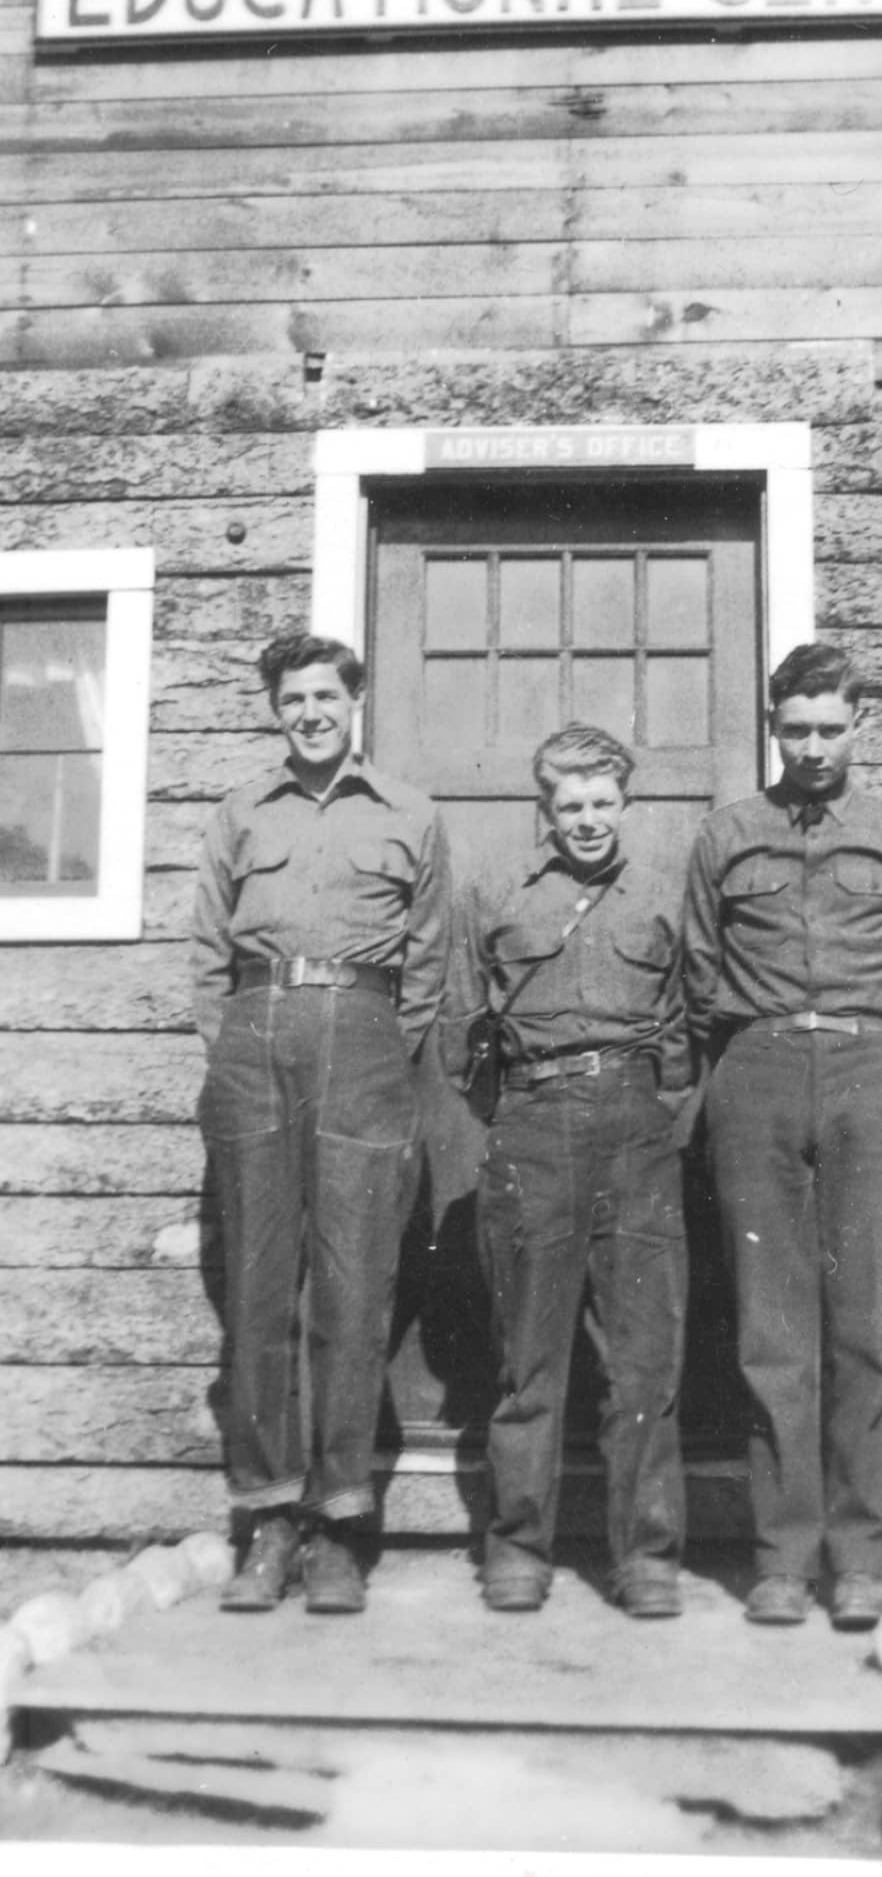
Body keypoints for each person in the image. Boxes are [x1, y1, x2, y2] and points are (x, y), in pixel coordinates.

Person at [683, 643, 882, 1631]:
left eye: (829, 728)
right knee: (772, 1330)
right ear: (772, 726)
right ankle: (781, 1557)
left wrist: (876, 1065)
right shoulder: (728, 835)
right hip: (752, 1074)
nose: (811, 747)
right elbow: (697, 972)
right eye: (794, 729)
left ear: (857, 724)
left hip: (867, 1074)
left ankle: (860, 1556)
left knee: (866, 1326)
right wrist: (747, 1062)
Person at [191, 632, 450, 1614]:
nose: (308, 712)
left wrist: (374, 1038)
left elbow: (425, 964)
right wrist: (235, 1048)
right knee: (260, 1292)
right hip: (256, 1033)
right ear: (274, 709)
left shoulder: (410, 815)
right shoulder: (237, 812)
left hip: (366, 1035)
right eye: (292, 698)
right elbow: (208, 953)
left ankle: (339, 1523)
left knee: (351, 1291)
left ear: (354, 703)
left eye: (325, 696)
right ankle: (267, 1518)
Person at [443, 724, 691, 1618]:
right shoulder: (494, 895)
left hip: (634, 1131)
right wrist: (515, 1114)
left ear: (625, 803)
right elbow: (458, 1029)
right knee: (528, 1359)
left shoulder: (663, 894)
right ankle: (517, 1546)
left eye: (602, 802)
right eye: (570, 805)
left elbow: (686, 1027)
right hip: (533, 1124)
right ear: (545, 810)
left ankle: (647, 1556)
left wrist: (653, 1111)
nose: (587, 820)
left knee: (642, 1360)